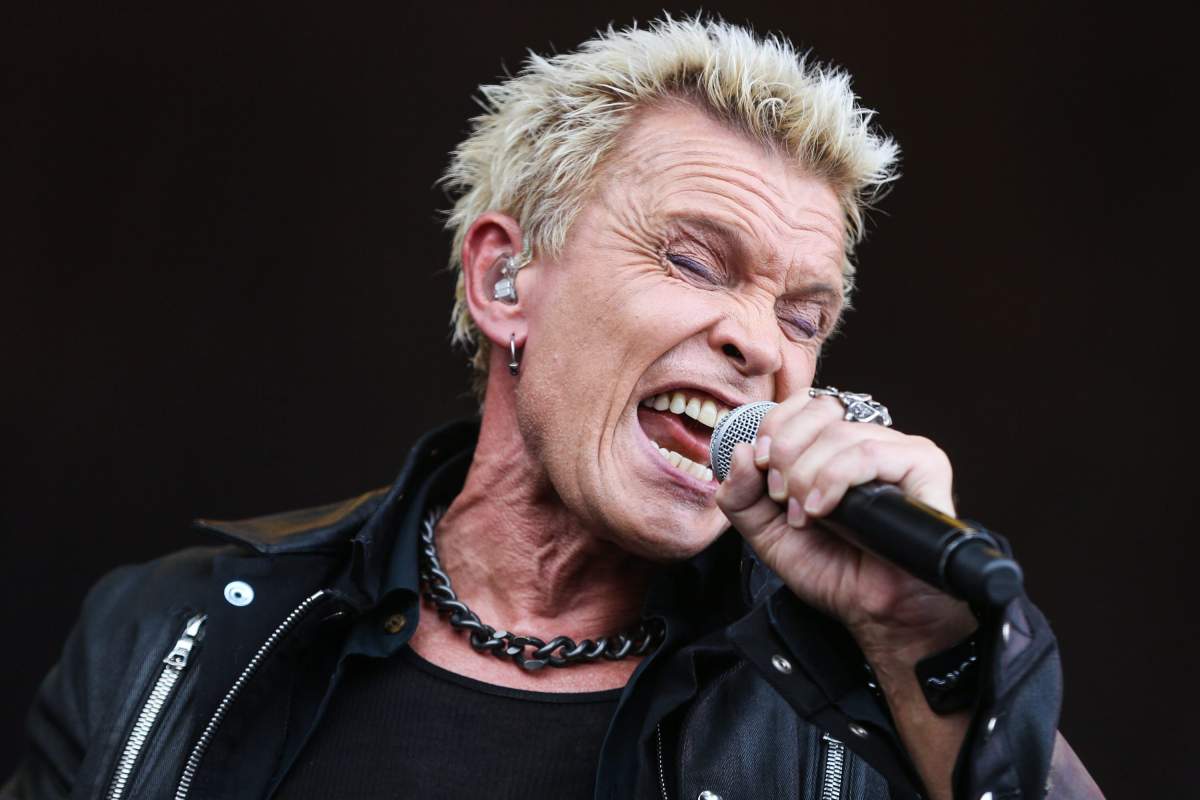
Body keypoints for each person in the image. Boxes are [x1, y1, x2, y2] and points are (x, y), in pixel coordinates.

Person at [4, 16, 1103, 800]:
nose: (761, 342)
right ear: (504, 281)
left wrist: (925, 653)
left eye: (806, 319)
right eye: (693, 258)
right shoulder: (174, 634)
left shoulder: (855, 705)